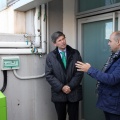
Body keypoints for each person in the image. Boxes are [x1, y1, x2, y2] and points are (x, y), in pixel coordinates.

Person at [75, 31, 120, 120]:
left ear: (118, 42)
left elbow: (112, 79)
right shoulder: (114, 57)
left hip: (115, 106)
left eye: (110, 41)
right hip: (110, 103)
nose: (108, 43)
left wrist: (90, 70)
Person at [45, 31, 84, 120]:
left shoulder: (75, 53)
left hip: (73, 92)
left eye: (63, 39)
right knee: (61, 117)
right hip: (59, 93)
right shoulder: (50, 56)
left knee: (74, 117)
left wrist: (70, 86)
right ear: (55, 43)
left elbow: (80, 71)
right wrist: (62, 87)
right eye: (59, 40)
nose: (63, 42)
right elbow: (48, 75)